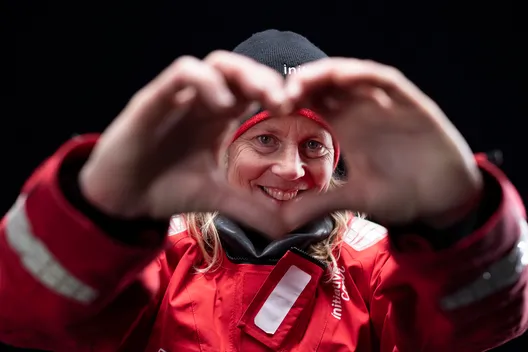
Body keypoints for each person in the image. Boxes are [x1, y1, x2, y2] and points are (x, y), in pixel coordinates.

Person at [0, 29, 526, 352]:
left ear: (337, 157)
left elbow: (481, 326)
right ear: (225, 149)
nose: (291, 169)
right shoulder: (156, 255)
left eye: (315, 146)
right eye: (266, 139)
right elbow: (22, 316)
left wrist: (461, 219)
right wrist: (96, 209)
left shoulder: (381, 265)